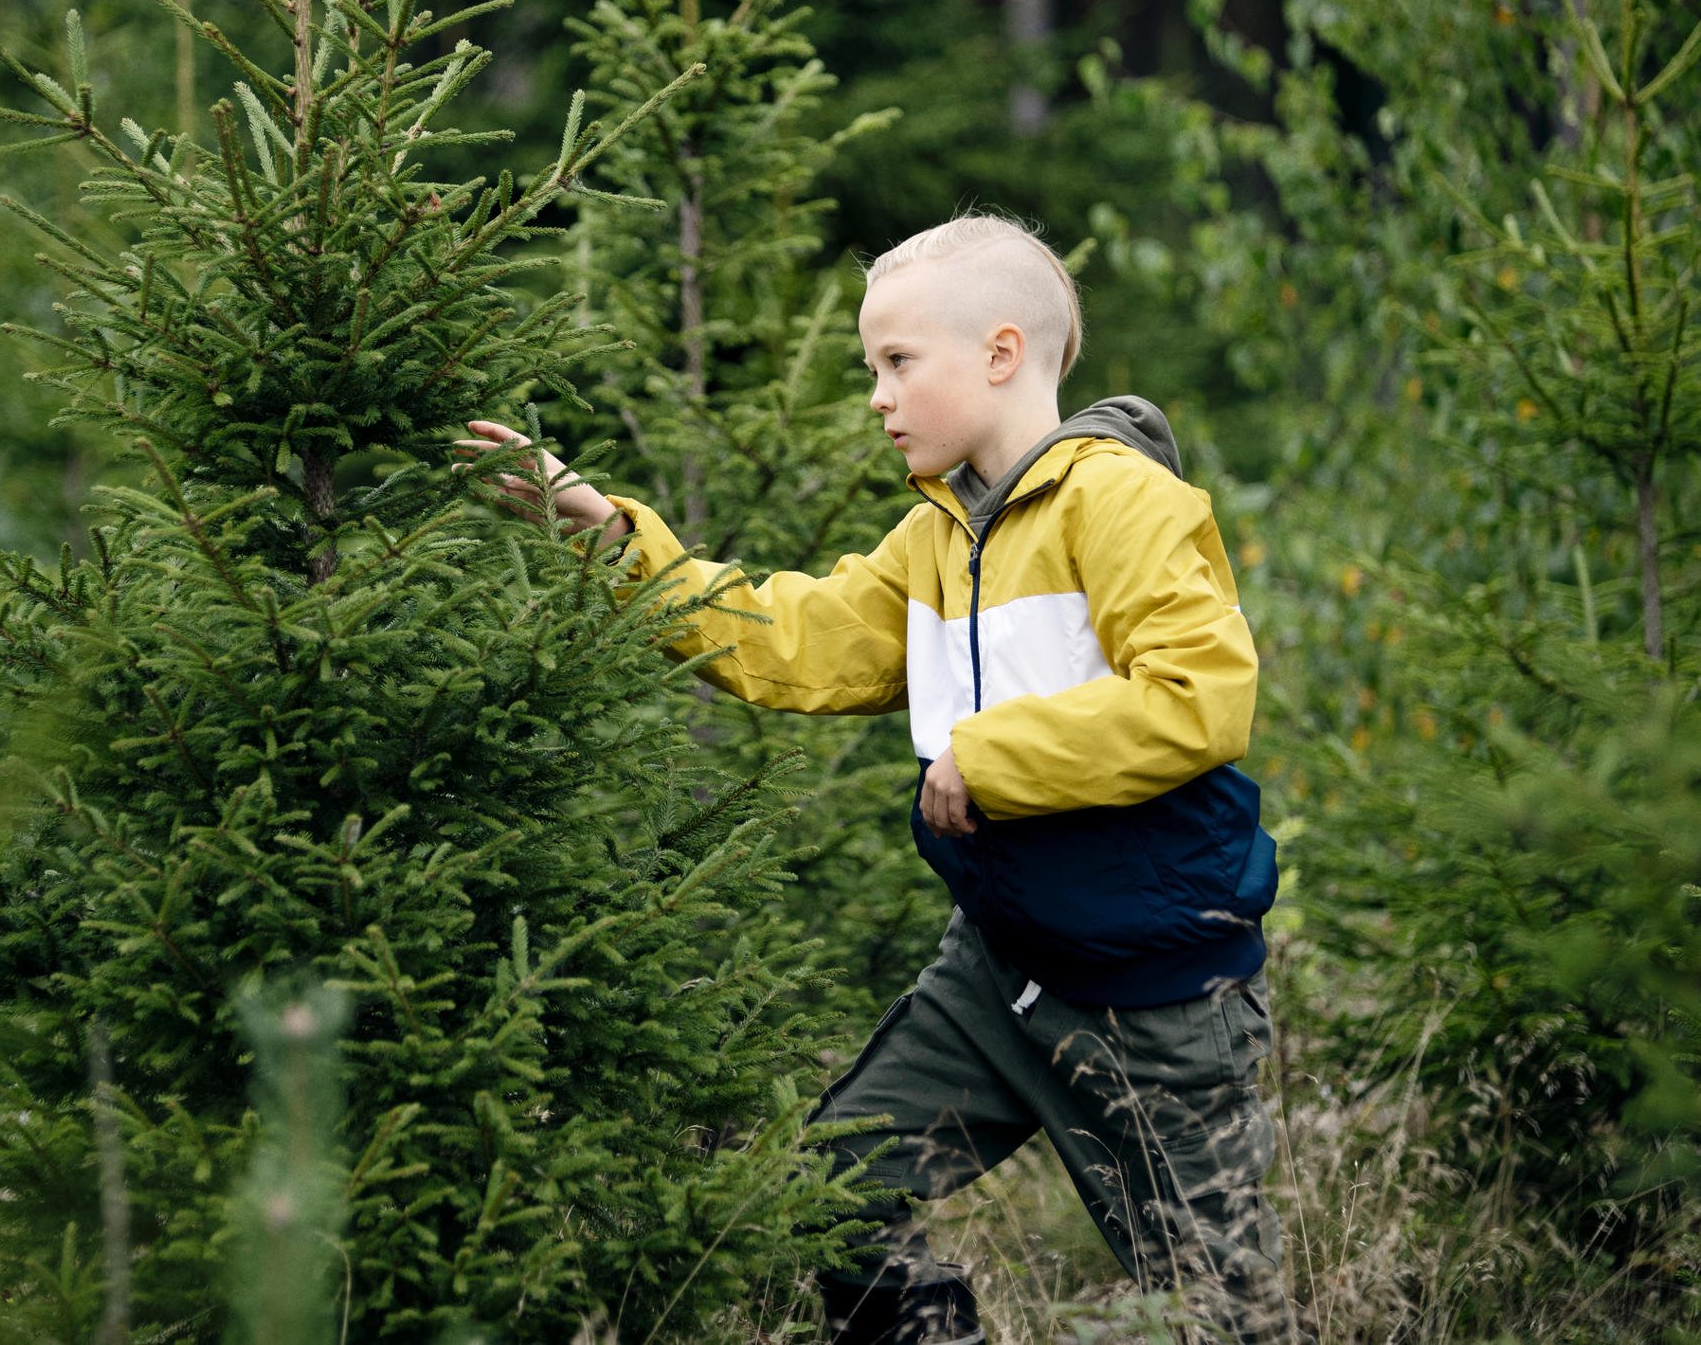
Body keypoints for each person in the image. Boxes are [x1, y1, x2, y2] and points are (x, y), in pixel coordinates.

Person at [454, 214, 1293, 1345]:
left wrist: (987, 760)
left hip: (1157, 1001)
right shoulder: (934, 537)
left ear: (1000, 353)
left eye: (898, 362)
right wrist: (609, 533)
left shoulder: (1121, 503)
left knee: (1225, 1317)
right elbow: (786, 639)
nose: (876, 395)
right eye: (869, 368)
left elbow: (1199, 697)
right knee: (831, 1198)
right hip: (997, 982)